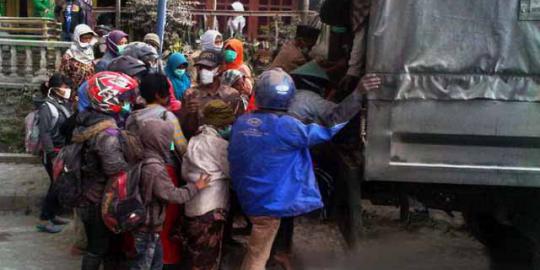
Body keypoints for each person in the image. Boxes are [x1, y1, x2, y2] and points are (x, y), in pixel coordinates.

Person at [228, 68, 347, 270]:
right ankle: (278, 256)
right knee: (257, 256)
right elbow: (329, 128)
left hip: (249, 198)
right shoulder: (286, 126)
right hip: (269, 204)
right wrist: (358, 95)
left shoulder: (242, 122)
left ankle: (279, 255)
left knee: (258, 248)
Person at [73, 71, 139, 270]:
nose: (129, 102)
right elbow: (114, 167)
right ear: (109, 100)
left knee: (107, 247)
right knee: (99, 247)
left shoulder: (87, 119)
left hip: (89, 192)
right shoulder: (107, 134)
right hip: (100, 199)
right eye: (124, 98)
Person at [131, 118, 210, 270]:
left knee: (154, 262)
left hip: (141, 221)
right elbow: (173, 195)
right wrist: (196, 187)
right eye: (167, 139)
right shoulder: (155, 168)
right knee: (144, 264)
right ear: (159, 140)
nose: (169, 143)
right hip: (148, 225)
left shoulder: (140, 156)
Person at [182, 99, 235, 270]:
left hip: (192, 205)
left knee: (194, 253)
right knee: (208, 256)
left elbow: (184, 172)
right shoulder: (220, 145)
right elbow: (231, 172)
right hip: (212, 208)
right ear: (222, 124)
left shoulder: (193, 141)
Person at [36, 73, 73, 234]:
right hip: (53, 152)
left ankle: (52, 215)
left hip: (61, 150)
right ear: (54, 89)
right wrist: (51, 154)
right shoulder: (47, 107)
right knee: (55, 184)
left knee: (57, 184)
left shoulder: (62, 104)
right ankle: (46, 218)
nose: (67, 90)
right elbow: (44, 133)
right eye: (65, 87)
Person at [179, 50, 243, 139]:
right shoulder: (190, 94)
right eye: (200, 68)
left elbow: (239, 126)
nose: (203, 71)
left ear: (220, 68)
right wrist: (191, 114)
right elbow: (183, 131)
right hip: (198, 147)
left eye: (208, 68)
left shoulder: (232, 95)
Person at [60, 24, 98, 88]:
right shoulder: (69, 56)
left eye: (90, 38)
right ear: (77, 38)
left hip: (88, 89)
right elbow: (63, 75)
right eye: (85, 38)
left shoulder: (89, 52)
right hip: (74, 90)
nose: (88, 41)